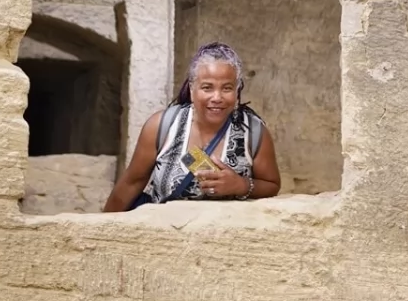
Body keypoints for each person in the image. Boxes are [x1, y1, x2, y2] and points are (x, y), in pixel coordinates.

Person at [102, 42, 280, 211]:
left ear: (237, 90)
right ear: (192, 89)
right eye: (207, 88)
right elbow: (131, 183)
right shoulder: (161, 126)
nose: (217, 97)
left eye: (226, 88)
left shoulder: (254, 133)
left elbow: (272, 185)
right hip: (165, 235)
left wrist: (241, 185)